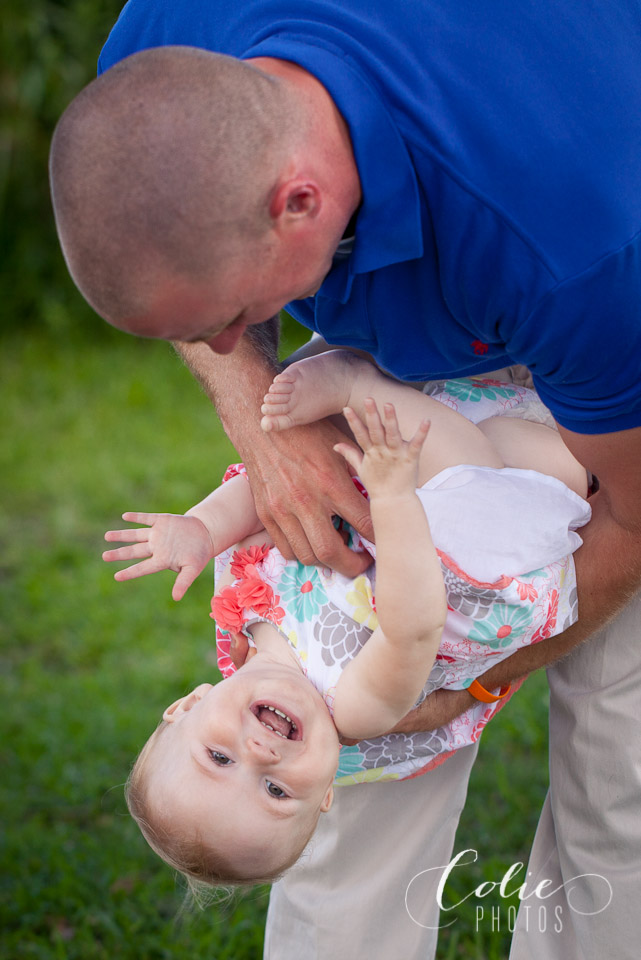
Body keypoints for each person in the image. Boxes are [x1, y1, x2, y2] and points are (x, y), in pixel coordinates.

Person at [50, 2, 641, 956]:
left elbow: (632, 514)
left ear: (299, 202)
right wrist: (263, 430)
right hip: (405, 407)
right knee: (349, 830)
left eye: (232, 313)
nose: (215, 349)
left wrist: (485, 669)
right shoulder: (159, 55)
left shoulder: (571, 235)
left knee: (622, 773)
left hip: (591, 379)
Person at [104, 357, 589, 890]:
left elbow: (271, 503)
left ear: (188, 705)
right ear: (325, 794)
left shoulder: (244, 617)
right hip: (473, 533)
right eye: (276, 793)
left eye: (220, 757)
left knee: (305, 486)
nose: (260, 756)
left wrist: (203, 527)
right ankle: (357, 384)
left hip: (413, 460)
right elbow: (414, 626)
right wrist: (392, 500)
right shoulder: (355, 708)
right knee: (474, 499)